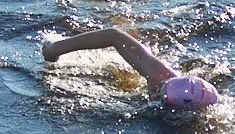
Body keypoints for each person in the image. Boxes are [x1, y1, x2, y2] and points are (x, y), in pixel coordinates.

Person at [41, 27, 222, 112]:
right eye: (160, 86)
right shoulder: (160, 74)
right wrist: (54, 49)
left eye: (158, 94)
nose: (153, 94)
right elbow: (114, 35)